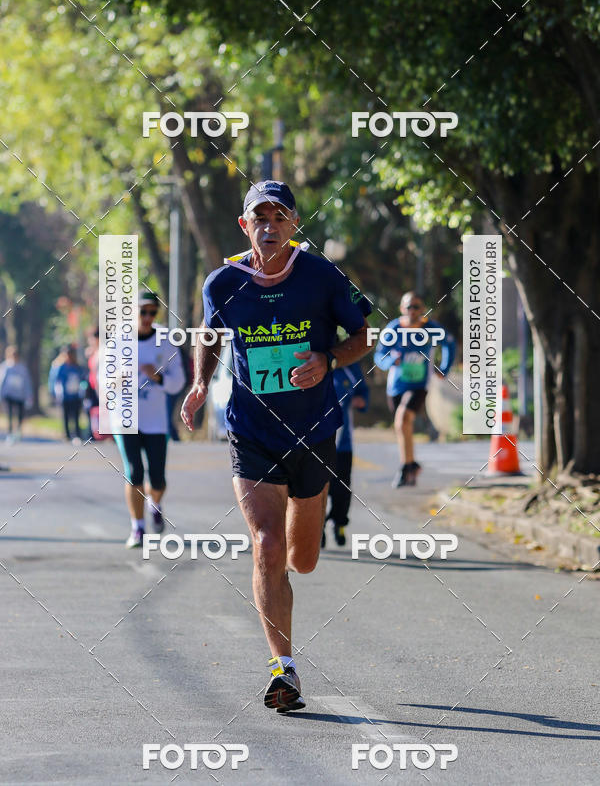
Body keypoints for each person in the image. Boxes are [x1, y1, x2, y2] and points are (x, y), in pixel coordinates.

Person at [180, 180, 370, 713]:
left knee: (301, 560)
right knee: (266, 545)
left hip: (312, 430)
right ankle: (282, 670)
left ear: (293, 225)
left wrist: (328, 360)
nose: (268, 226)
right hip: (251, 431)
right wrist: (199, 384)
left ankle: (287, 575)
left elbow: (361, 338)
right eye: (258, 217)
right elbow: (210, 335)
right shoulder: (222, 283)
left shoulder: (322, 276)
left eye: (279, 217)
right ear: (245, 226)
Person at [113, 291, 186, 549]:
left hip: (155, 420)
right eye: (142, 311)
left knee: (157, 479)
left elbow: (178, 381)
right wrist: (119, 376)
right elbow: (102, 380)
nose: (146, 317)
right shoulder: (118, 341)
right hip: (126, 419)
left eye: (152, 312)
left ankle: (155, 503)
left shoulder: (165, 341)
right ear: (132, 311)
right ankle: (138, 527)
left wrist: (157, 377)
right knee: (134, 473)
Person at [374, 291, 455, 488]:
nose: (413, 311)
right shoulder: (393, 328)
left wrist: (444, 368)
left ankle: (405, 467)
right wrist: (392, 360)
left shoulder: (431, 328)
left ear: (422, 309)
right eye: (409, 307)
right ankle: (411, 465)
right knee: (403, 426)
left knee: (402, 420)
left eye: (417, 307)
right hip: (396, 386)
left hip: (420, 384)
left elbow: (450, 345)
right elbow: (379, 356)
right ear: (402, 309)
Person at [322, 360, 369, 547]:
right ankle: (317, 529)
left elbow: (363, 392)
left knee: (342, 488)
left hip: (343, 443)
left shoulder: (351, 368)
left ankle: (339, 523)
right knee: (318, 487)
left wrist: (361, 400)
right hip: (316, 443)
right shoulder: (310, 363)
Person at [0, 346, 33, 442]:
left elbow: (27, 382)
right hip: (8, 395)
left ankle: (18, 432)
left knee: (20, 415)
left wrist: (29, 395)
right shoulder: (5, 367)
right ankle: (10, 433)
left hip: (20, 395)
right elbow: (2, 382)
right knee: (9, 415)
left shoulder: (22, 368)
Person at [55, 346, 85, 443]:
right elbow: (57, 381)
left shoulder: (77, 367)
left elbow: (82, 379)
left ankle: (77, 434)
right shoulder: (61, 367)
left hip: (75, 395)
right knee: (66, 416)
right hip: (65, 396)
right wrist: (58, 393)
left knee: (76, 416)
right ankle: (67, 435)